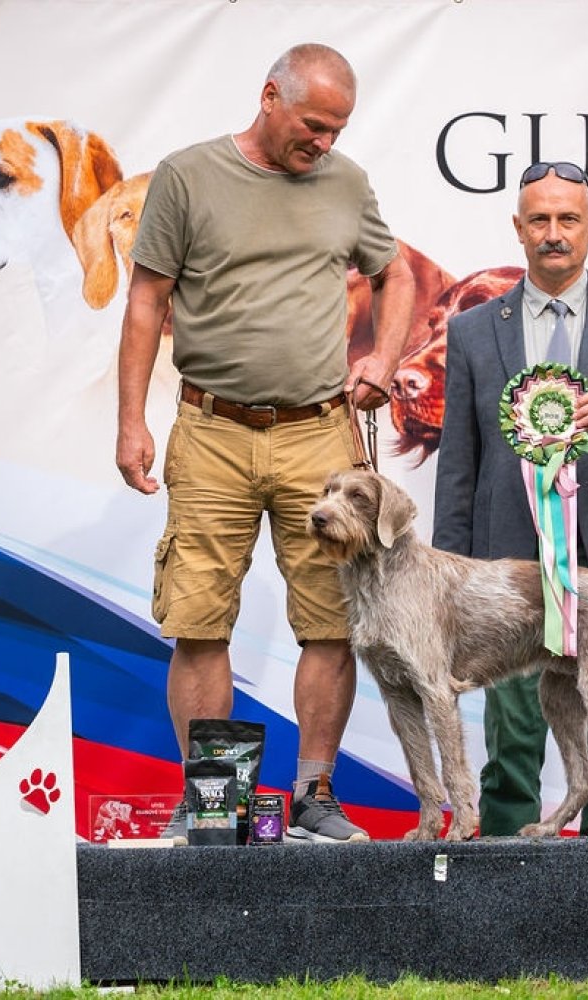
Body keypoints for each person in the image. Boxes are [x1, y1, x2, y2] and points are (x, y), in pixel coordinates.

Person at [116, 43, 415, 843]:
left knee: (330, 621)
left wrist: (383, 359)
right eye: (313, 125)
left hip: (318, 436)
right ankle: (214, 803)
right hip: (210, 430)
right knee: (199, 618)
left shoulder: (345, 182)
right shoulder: (187, 175)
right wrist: (131, 420)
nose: (323, 142)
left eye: (337, 129)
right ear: (269, 96)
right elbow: (146, 299)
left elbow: (394, 273)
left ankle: (312, 795)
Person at [432, 161, 588, 837]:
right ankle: (504, 877)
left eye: (568, 219)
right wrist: (449, 576)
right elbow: (458, 461)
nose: (553, 233)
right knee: (512, 739)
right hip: (505, 570)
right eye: (539, 219)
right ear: (518, 229)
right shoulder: (472, 330)